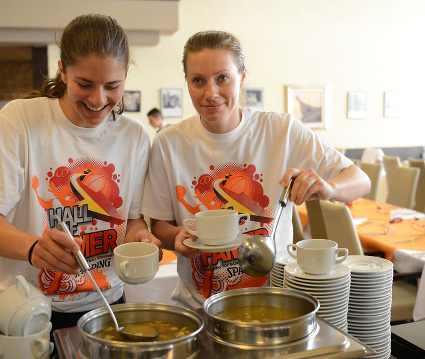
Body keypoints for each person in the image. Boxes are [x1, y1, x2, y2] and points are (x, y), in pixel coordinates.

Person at [0, 14, 161, 336]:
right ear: (62, 71)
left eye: (113, 86)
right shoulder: (21, 120)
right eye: (85, 84)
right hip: (25, 308)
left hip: (107, 302)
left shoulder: (134, 135)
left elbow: (132, 219)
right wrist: (33, 247)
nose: (99, 100)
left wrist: (140, 237)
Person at [142, 30, 370, 309]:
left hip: (274, 302)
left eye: (222, 78)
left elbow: (360, 180)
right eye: (198, 81)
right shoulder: (168, 142)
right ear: (187, 83)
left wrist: (329, 187)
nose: (210, 93)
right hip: (198, 308)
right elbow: (161, 226)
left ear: (242, 77)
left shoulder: (282, 131)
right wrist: (175, 237)